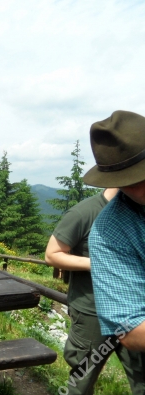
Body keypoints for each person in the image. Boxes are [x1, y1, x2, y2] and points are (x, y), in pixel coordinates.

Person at [45, 187, 145, 395]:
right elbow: (52, 255)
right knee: (82, 380)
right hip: (92, 314)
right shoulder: (84, 212)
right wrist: (103, 263)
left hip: (133, 314)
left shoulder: (136, 211)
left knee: (141, 381)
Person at [86, 110, 145, 355]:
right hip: (85, 305)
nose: (141, 190)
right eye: (130, 181)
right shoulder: (109, 231)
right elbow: (129, 328)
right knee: (82, 364)